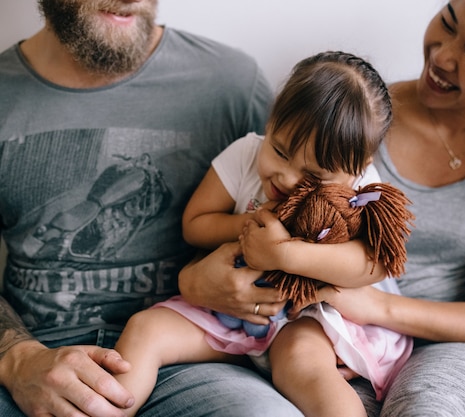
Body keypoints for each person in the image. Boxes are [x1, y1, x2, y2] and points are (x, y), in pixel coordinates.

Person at [182, 0, 465, 415]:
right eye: (447, 21)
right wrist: (197, 281)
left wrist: (376, 310)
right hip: (310, 330)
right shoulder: (349, 120)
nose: (442, 56)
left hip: (446, 347)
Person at [0, 0, 313, 416]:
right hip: (38, 358)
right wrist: (17, 358)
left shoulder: (232, 83)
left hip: (189, 360)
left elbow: (315, 224)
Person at [113, 51, 414, 417]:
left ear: (356, 171)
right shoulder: (244, 154)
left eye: (314, 176)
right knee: (146, 329)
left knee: (304, 364)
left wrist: (284, 254)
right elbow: (195, 223)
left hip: (307, 316)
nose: (286, 178)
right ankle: (109, 409)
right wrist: (248, 229)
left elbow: (374, 264)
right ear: (270, 123)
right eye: (279, 151)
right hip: (228, 306)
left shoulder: (363, 189)